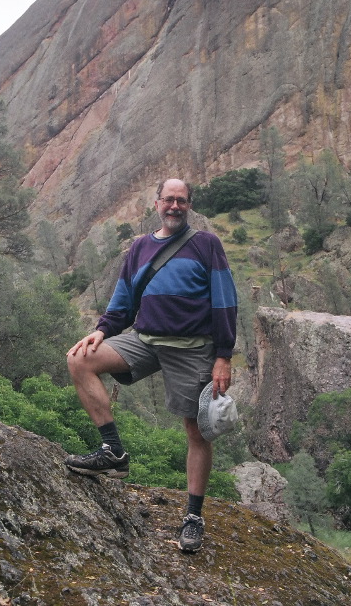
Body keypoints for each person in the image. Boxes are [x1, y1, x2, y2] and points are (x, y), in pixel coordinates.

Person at [65, 178, 237, 552]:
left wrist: (223, 355)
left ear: (189, 205)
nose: (174, 206)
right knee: (79, 359)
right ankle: (113, 452)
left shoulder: (207, 244)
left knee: (196, 431)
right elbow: (123, 299)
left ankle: (193, 516)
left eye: (182, 201)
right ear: (156, 203)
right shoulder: (140, 247)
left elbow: (225, 301)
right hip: (144, 340)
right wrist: (101, 330)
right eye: (168, 200)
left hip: (192, 347)